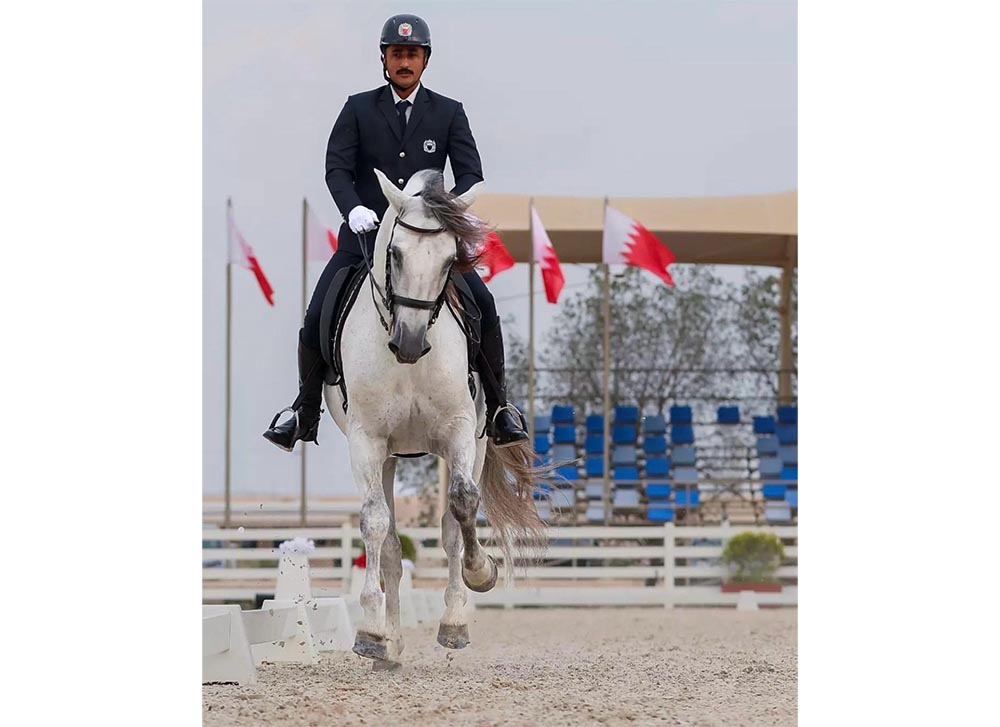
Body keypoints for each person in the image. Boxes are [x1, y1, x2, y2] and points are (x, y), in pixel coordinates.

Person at [264, 13, 528, 452]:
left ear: (425, 60)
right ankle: (304, 409)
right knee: (316, 315)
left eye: (412, 54)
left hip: (427, 244)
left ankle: (500, 407)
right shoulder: (357, 108)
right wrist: (353, 208)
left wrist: (444, 212)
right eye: (397, 54)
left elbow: (470, 174)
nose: (405, 62)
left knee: (483, 304)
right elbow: (337, 168)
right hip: (365, 241)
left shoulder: (448, 112)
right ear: (384, 59)